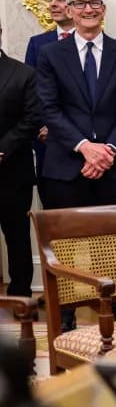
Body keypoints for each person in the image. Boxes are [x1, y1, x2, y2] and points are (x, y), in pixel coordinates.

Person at [36, 0, 116, 327]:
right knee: (65, 245)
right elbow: (49, 109)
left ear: (104, 10)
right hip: (66, 166)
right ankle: (65, 313)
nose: (88, 10)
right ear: (68, 11)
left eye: (94, 4)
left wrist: (107, 150)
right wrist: (85, 147)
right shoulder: (50, 55)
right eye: (80, 4)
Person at [0, 23, 41, 299]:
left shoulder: (23, 73)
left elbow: (32, 119)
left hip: (12, 170)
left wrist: (2, 149)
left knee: (17, 237)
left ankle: (20, 297)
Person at [25, 0, 74, 182]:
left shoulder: (97, 43)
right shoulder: (38, 44)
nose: (53, 4)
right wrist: (44, 128)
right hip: (48, 141)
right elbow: (31, 93)